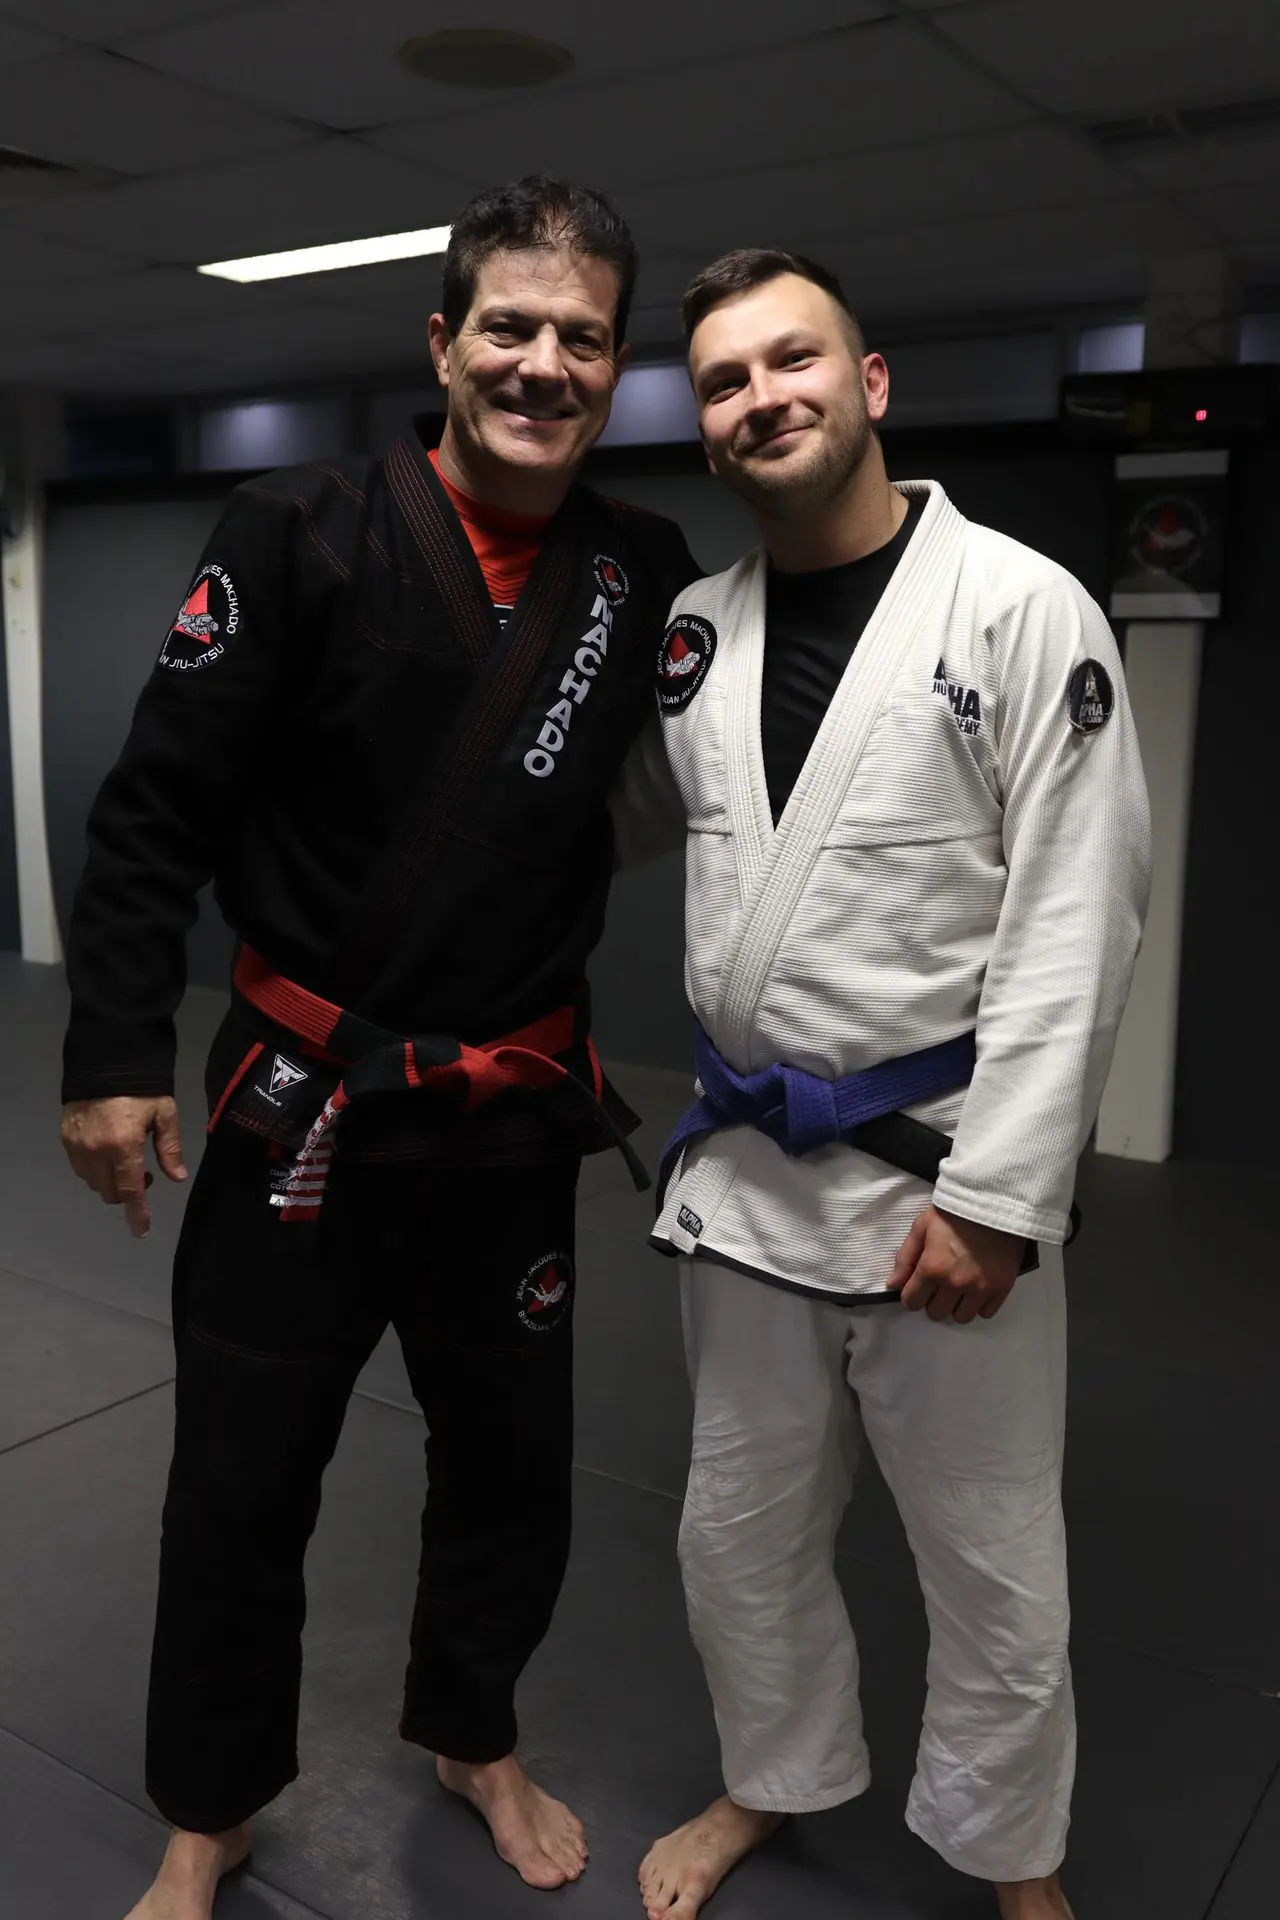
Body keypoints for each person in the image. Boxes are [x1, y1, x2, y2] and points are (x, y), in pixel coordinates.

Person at [59, 174, 698, 1920]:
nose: (541, 364)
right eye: (509, 326)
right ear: (442, 340)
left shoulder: (637, 570)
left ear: (619, 364)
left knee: (514, 1467)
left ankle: (473, 1732)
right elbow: (153, 813)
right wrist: (113, 1048)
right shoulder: (297, 529)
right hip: (306, 1104)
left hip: (504, 1115)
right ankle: (212, 1805)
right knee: (241, 1477)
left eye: (580, 337)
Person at [636, 249, 1151, 1920]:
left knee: (992, 1563)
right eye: (723, 379)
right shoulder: (696, 636)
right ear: (706, 428)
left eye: (794, 361)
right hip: (747, 1180)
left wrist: (1002, 1204)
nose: (760, 396)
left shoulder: (1018, 606)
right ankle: (770, 1785)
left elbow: (1077, 921)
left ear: (870, 385)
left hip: (942, 1185)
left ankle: (1019, 1862)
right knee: (739, 1536)